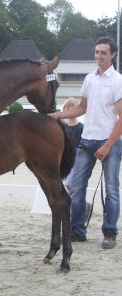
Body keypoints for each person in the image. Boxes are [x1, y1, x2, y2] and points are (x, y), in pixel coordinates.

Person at [49, 36, 122, 249]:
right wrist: (56, 116)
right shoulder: (90, 79)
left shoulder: (118, 80)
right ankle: (77, 230)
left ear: (113, 55)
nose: (98, 56)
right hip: (87, 140)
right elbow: (82, 108)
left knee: (112, 190)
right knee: (76, 187)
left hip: (110, 142)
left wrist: (107, 145)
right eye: (97, 52)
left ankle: (110, 232)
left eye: (103, 53)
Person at [62, 98, 83, 194]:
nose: (70, 113)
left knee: (69, 183)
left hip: (75, 160)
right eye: (67, 110)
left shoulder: (81, 127)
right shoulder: (62, 127)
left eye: (72, 110)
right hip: (63, 159)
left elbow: (79, 146)